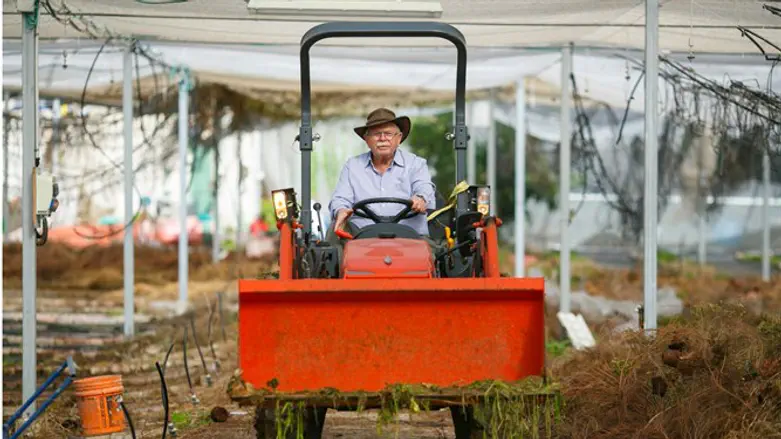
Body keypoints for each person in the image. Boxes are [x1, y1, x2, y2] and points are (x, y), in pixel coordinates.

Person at [327, 107, 436, 249]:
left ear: (399, 138)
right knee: (333, 236)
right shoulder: (352, 166)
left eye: (388, 134)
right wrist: (341, 210)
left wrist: (421, 198)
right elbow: (340, 198)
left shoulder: (416, 164)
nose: (383, 138)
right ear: (366, 139)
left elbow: (424, 187)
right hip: (360, 238)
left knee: (434, 258)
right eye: (376, 134)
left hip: (410, 237)